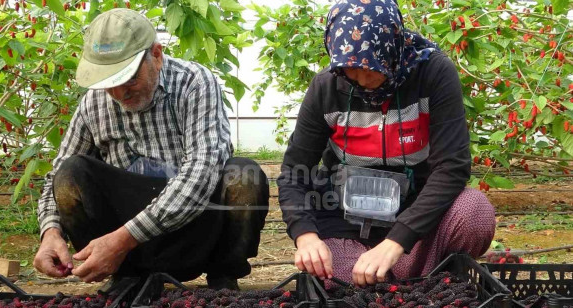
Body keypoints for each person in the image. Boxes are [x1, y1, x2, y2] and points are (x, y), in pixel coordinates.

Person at [34, 9, 269, 290]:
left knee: (244, 175)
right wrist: (50, 232)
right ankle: (129, 277)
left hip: (197, 229)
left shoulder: (194, 83)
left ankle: (222, 275)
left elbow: (201, 174)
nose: (120, 93)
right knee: (69, 173)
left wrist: (123, 238)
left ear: (156, 55)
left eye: (130, 79)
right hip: (130, 243)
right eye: (110, 83)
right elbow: (57, 174)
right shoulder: (92, 104)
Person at [277, 0, 495, 287]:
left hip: (416, 224)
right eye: (351, 70)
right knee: (337, 281)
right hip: (345, 223)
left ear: (392, 47)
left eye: (371, 68)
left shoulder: (434, 75)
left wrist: (396, 241)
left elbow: (451, 167)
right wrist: (305, 235)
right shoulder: (326, 88)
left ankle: (408, 269)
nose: (363, 80)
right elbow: (294, 172)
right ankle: (416, 276)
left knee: (474, 213)